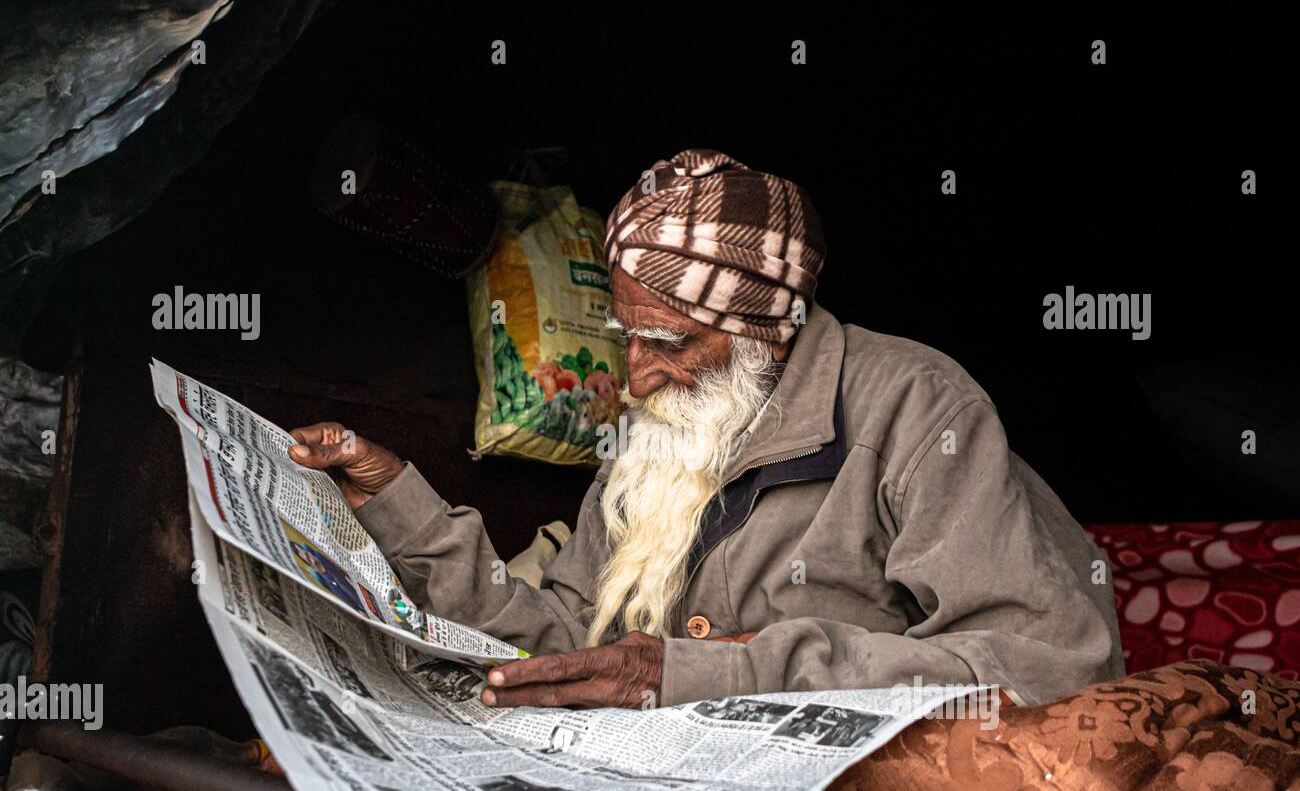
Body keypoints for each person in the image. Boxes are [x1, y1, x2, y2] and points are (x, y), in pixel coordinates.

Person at [289, 149, 1121, 711]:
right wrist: (399, 500)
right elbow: (563, 644)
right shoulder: (661, 430)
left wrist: (703, 673)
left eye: (673, 344)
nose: (640, 379)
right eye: (629, 341)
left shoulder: (919, 406)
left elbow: (1049, 665)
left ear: (771, 327)